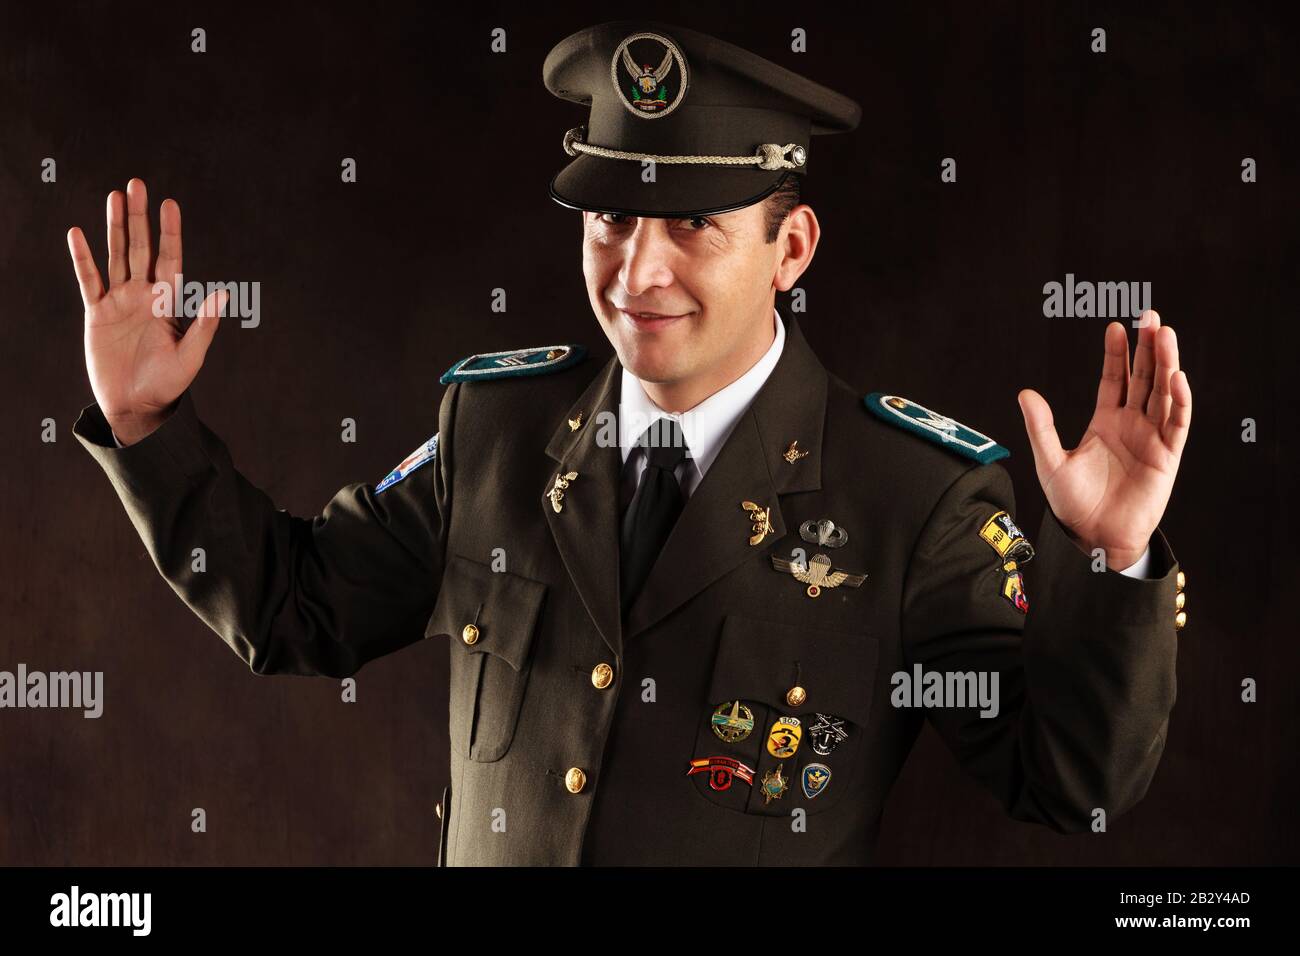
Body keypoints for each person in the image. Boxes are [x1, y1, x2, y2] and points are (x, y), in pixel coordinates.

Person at [68, 20, 1191, 866]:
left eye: (693, 223)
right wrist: (147, 426)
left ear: (789, 245)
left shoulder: (912, 494)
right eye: (610, 218)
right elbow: (289, 608)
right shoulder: (498, 429)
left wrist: (1111, 561)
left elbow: (1065, 779)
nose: (635, 271)